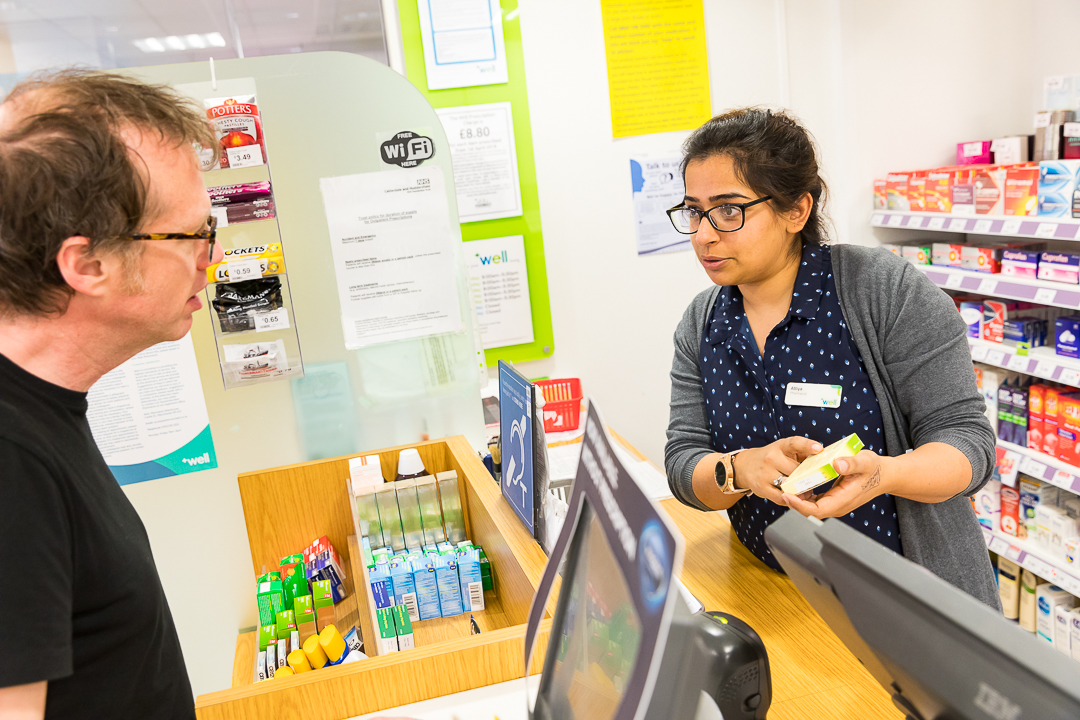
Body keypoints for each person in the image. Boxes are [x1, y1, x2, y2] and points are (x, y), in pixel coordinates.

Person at [664, 108, 1000, 608]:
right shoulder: (703, 322)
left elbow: (968, 444)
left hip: (904, 596)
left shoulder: (882, 291)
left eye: (729, 210)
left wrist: (883, 474)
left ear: (796, 212)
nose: (704, 234)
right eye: (694, 211)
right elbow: (684, 461)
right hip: (774, 590)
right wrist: (738, 470)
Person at [0, 70, 223, 719]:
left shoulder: (46, 410)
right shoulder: (12, 458)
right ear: (88, 264)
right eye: (191, 235)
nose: (210, 256)